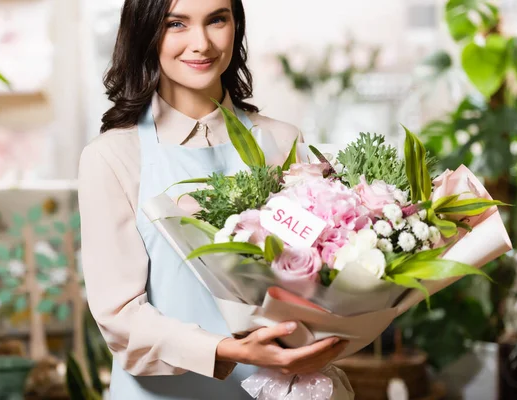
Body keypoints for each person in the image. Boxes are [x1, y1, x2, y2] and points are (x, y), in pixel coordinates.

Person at [78, 0, 347, 398]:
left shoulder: (284, 142)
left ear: (236, 25)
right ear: (146, 31)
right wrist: (226, 350)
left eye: (216, 20)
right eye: (176, 24)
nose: (200, 43)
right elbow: (121, 318)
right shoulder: (113, 157)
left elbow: (327, 270)